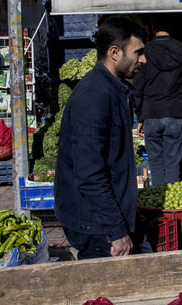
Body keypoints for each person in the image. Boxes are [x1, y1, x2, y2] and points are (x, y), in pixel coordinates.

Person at [54, 16, 147, 259]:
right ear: (115, 52)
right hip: (96, 225)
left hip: (105, 218)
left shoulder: (113, 89)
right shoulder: (94, 96)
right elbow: (89, 173)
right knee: (105, 296)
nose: (143, 60)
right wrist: (116, 230)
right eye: (138, 52)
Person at [133, 15, 182, 186]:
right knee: (172, 164)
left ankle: (159, 207)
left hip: (151, 113)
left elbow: (138, 87)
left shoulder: (144, 52)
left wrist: (140, 116)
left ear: (153, 28)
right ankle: (171, 207)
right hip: (175, 113)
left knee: (155, 165)